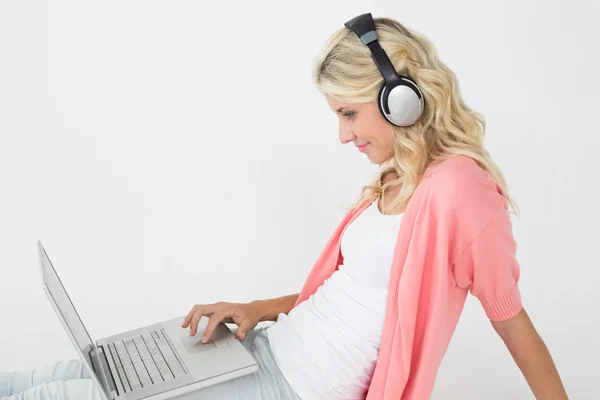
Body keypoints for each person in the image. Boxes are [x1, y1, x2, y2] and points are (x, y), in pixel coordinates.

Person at [1, 12, 568, 400]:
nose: (344, 136)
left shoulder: (460, 193)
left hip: (291, 389)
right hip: (265, 348)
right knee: (72, 373)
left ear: (400, 101)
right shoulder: (399, 177)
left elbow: (511, 320)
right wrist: (258, 308)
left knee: (72, 395)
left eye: (349, 113)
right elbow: (357, 293)